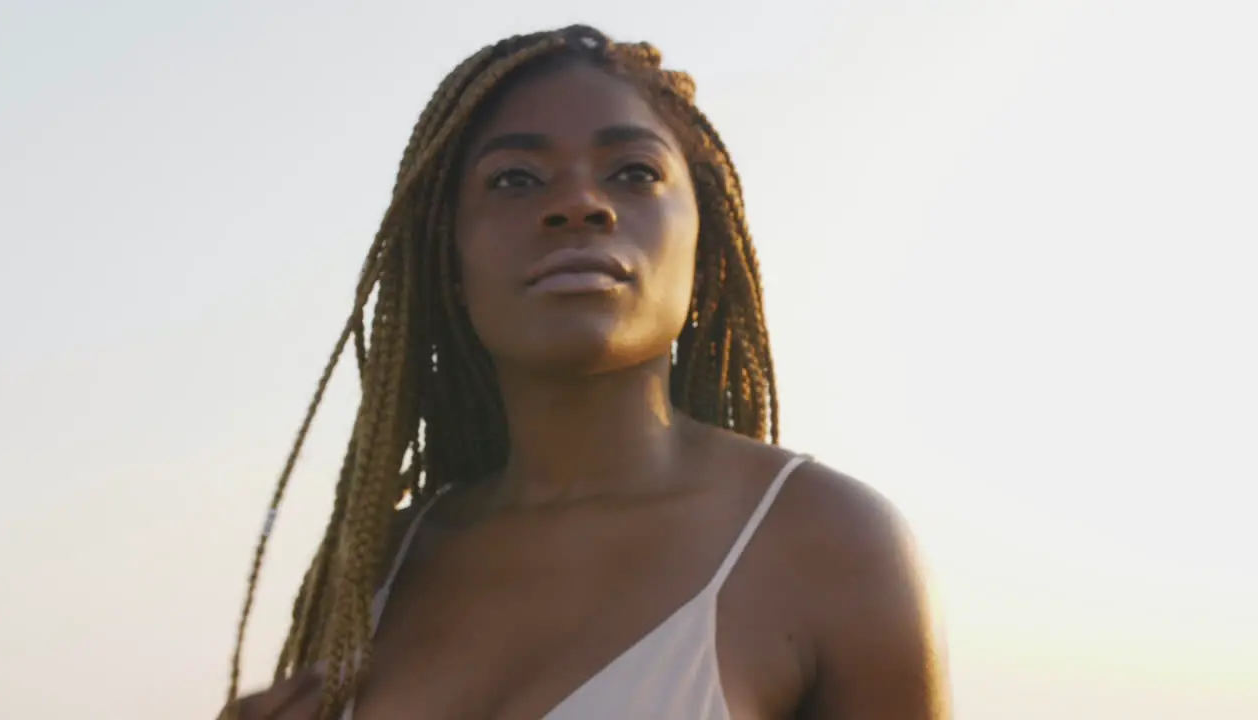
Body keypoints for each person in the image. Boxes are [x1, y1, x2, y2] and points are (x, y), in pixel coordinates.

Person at [219, 24, 948, 720]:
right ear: (449, 258)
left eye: (634, 173)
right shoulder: (378, 570)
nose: (577, 205)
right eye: (514, 180)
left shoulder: (826, 542)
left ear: (708, 240)